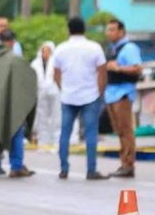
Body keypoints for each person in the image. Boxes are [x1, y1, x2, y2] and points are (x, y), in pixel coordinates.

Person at [53, 17, 108, 180]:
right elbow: (102, 72)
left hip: (68, 96)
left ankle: (64, 169)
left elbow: (56, 74)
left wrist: (63, 89)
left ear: (68, 29)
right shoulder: (94, 47)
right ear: (84, 29)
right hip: (90, 95)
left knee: (65, 133)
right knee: (91, 134)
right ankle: (91, 170)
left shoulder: (60, 49)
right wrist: (100, 92)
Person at [0, 30, 36, 178]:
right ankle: (16, 167)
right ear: (12, 42)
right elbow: (29, 80)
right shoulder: (16, 60)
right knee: (15, 131)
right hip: (12, 103)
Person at [104, 18, 143, 178]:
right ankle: (124, 162)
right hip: (111, 93)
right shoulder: (113, 49)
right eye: (108, 30)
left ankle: (128, 164)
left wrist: (118, 68)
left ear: (122, 32)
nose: (109, 33)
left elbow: (137, 68)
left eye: (113, 30)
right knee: (119, 130)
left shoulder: (129, 48)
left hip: (123, 93)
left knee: (126, 130)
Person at [31, 41, 61, 151]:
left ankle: (56, 143)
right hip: (40, 93)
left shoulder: (57, 62)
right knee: (41, 118)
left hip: (55, 92)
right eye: (44, 50)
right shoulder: (35, 63)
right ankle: (43, 143)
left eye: (48, 50)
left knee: (56, 118)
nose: (46, 53)